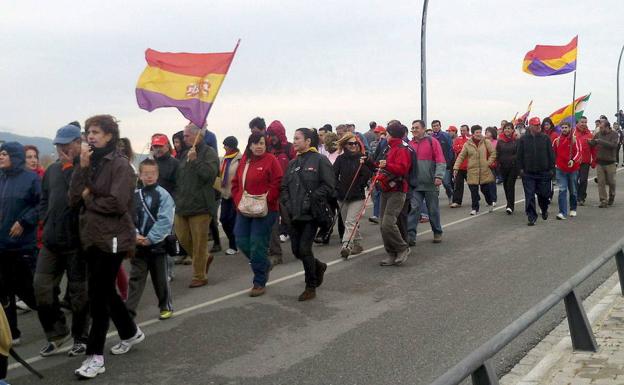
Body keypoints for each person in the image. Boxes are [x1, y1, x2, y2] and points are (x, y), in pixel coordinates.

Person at [68, 115, 144, 379]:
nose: (91, 136)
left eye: (97, 132)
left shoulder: (120, 165)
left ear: (110, 136)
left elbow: (117, 203)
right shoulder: (91, 162)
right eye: (88, 132)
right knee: (105, 291)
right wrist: (82, 167)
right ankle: (130, 332)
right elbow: (73, 198)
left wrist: (89, 200)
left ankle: (94, 356)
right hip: (91, 236)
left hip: (113, 239)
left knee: (97, 297)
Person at [34, 124, 89, 358]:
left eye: (67, 145)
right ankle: (57, 333)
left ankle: (81, 338)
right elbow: (44, 199)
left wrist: (69, 168)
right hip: (51, 242)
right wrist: (44, 220)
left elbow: (76, 198)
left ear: (79, 143)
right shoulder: (52, 170)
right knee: (40, 288)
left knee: (79, 294)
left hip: (77, 242)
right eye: (59, 145)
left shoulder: (86, 168)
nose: (62, 150)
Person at [280, 128, 334, 301]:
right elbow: (284, 187)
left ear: (308, 141)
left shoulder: (320, 160)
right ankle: (318, 266)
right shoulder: (292, 163)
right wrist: (288, 204)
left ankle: (310, 286)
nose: (294, 141)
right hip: (294, 214)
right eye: (293, 138)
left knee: (304, 249)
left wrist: (312, 200)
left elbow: (329, 185)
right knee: (297, 251)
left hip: (311, 214)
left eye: (297, 138)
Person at [231, 133, 283, 297]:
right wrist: (238, 200)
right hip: (245, 208)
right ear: (250, 145)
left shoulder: (271, 160)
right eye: (255, 144)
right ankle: (264, 264)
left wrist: (268, 199)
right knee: (241, 240)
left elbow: (278, 181)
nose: (258, 146)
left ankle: (259, 281)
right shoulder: (245, 161)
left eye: (261, 143)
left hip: (266, 209)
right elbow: (235, 184)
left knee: (257, 243)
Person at [0, 142, 40, 346]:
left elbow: (41, 204)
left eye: (4, 154)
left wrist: (24, 221)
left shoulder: (31, 178)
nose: (0, 157)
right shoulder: (1, 178)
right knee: (4, 293)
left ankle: (54, 321)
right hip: (2, 246)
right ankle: (12, 334)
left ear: (15, 156)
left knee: (29, 292)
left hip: (22, 246)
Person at [125, 159, 175, 321]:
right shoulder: (134, 196)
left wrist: (150, 238)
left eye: (152, 173)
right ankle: (129, 311)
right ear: (140, 175)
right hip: (138, 246)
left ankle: (165, 306)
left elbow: (166, 220)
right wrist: (136, 235)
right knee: (135, 280)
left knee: (160, 279)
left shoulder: (164, 195)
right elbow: (128, 218)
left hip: (158, 246)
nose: (149, 176)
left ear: (157, 175)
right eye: (145, 173)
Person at [174, 123, 219, 288]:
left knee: (199, 243)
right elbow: (180, 178)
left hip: (201, 205)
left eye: (187, 135)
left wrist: (195, 162)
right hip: (183, 204)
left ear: (197, 135)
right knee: (183, 238)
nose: (184, 138)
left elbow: (209, 176)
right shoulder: (184, 153)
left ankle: (199, 275)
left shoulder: (209, 153)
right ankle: (204, 258)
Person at [376, 122, 411, 266]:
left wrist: (387, 165)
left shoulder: (402, 149)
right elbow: (383, 166)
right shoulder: (389, 148)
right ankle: (391, 252)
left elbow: (403, 169)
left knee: (388, 223)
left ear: (393, 134)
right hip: (386, 189)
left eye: (387, 133)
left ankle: (402, 248)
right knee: (382, 224)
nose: (385, 136)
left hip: (397, 190)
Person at [333, 132, 372, 258]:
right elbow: (333, 175)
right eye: (350, 143)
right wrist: (337, 188)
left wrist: (364, 167)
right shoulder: (340, 159)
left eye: (355, 143)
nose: (354, 145)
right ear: (345, 145)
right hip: (342, 196)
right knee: (348, 222)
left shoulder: (362, 158)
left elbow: (367, 175)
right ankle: (358, 243)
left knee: (350, 222)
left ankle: (346, 246)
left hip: (357, 196)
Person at [407, 120, 446, 244]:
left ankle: (437, 232)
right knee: (414, 209)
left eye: (417, 127)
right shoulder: (409, 144)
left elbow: (440, 159)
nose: (414, 130)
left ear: (423, 129)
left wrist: (439, 176)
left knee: (432, 209)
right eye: (412, 128)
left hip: (430, 183)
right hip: (415, 184)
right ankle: (410, 236)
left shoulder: (432, 141)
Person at [516, 117, 555, 226]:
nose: (538, 127)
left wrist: (552, 169)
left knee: (543, 194)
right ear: (530, 126)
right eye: (536, 125)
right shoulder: (523, 139)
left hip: (544, 172)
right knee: (529, 195)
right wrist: (521, 170)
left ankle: (544, 208)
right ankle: (531, 216)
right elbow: (519, 156)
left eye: (539, 125)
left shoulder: (545, 138)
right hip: (528, 173)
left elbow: (551, 154)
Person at [266, 120, 296, 262]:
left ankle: (298, 247)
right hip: (273, 190)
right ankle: (276, 252)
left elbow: (296, 167)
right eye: (270, 135)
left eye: (274, 135)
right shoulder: (269, 150)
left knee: (291, 220)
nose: (272, 138)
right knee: (272, 223)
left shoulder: (289, 148)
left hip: (288, 190)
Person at [453, 125, 497, 215]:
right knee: (473, 190)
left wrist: (488, 163)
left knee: (485, 190)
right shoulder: (467, 144)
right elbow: (461, 156)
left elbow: (493, 153)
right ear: (472, 134)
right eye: (477, 132)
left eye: (480, 132)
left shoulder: (486, 142)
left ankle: (489, 202)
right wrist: (456, 167)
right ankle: (475, 208)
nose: (479, 134)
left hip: (484, 170)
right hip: (472, 171)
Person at [218, 136, 243, 255]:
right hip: (225, 194)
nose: (224, 147)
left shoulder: (240, 159)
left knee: (233, 220)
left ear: (232, 146)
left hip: (235, 195)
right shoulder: (224, 159)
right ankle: (233, 240)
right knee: (223, 219)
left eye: (226, 145)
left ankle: (234, 245)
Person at [552, 122, 581, 220]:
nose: (564, 129)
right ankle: (562, 212)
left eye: (566, 127)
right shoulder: (557, 140)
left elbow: (579, 152)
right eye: (562, 128)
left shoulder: (575, 139)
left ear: (570, 128)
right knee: (562, 190)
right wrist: (555, 164)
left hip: (573, 169)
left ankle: (573, 208)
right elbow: (553, 153)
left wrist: (573, 160)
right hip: (560, 169)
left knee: (573, 190)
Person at [589, 118, 619, 207]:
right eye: (599, 127)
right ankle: (603, 201)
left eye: (601, 128)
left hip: (610, 162)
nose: (600, 129)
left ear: (607, 127)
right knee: (601, 183)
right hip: (600, 162)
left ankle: (612, 196)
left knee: (611, 182)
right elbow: (593, 143)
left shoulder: (614, 134)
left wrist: (600, 141)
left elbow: (613, 145)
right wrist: (590, 142)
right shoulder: (598, 134)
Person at [496, 122, 519, 214]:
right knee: (505, 185)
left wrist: (513, 159)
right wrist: (497, 163)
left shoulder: (516, 141)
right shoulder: (500, 141)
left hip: (513, 167)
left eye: (509, 128)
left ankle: (510, 206)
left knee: (510, 185)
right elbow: (497, 153)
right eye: (505, 128)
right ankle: (508, 203)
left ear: (513, 130)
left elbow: (519, 153)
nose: (507, 130)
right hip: (503, 166)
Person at [430, 120, 454, 201]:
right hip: (434, 164)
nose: (435, 127)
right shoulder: (430, 137)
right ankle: (434, 199)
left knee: (446, 183)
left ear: (440, 126)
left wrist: (449, 162)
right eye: (434, 126)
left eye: (437, 125)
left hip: (445, 164)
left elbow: (450, 150)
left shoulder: (446, 136)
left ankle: (450, 196)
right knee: (434, 184)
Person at [574, 116, 595, 206]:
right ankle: (578, 194)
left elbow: (594, 149)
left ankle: (581, 197)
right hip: (575, 161)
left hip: (585, 161)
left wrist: (594, 160)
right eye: (582, 122)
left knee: (583, 180)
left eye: (585, 122)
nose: (584, 124)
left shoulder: (590, 135)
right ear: (578, 123)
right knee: (574, 180)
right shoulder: (573, 134)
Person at [368, 125, 386, 223]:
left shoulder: (384, 142)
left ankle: (378, 214)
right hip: (375, 169)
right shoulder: (373, 143)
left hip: (383, 170)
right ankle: (376, 214)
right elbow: (372, 156)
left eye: (378, 132)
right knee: (376, 193)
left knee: (380, 193)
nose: (376, 134)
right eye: (375, 132)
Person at [450, 124, 470, 208]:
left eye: (464, 130)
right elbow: (455, 148)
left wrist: (461, 147)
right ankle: (457, 201)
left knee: (472, 184)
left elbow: (470, 150)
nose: (462, 132)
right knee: (458, 184)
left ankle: (476, 198)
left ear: (467, 131)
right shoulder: (457, 139)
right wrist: (462, 148)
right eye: (461, 130)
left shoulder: (471, 139)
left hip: (469, 166)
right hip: (459, 166)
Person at [484, 126, 499, 204]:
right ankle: (489, 199)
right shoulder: (483, 142)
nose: (486, 133)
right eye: (486, 131)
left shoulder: (496, 142)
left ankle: (493, 199)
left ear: (493, 133)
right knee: (484, 185)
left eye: (488, 131)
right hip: (483, 165)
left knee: (491, 183)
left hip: (493, 165)